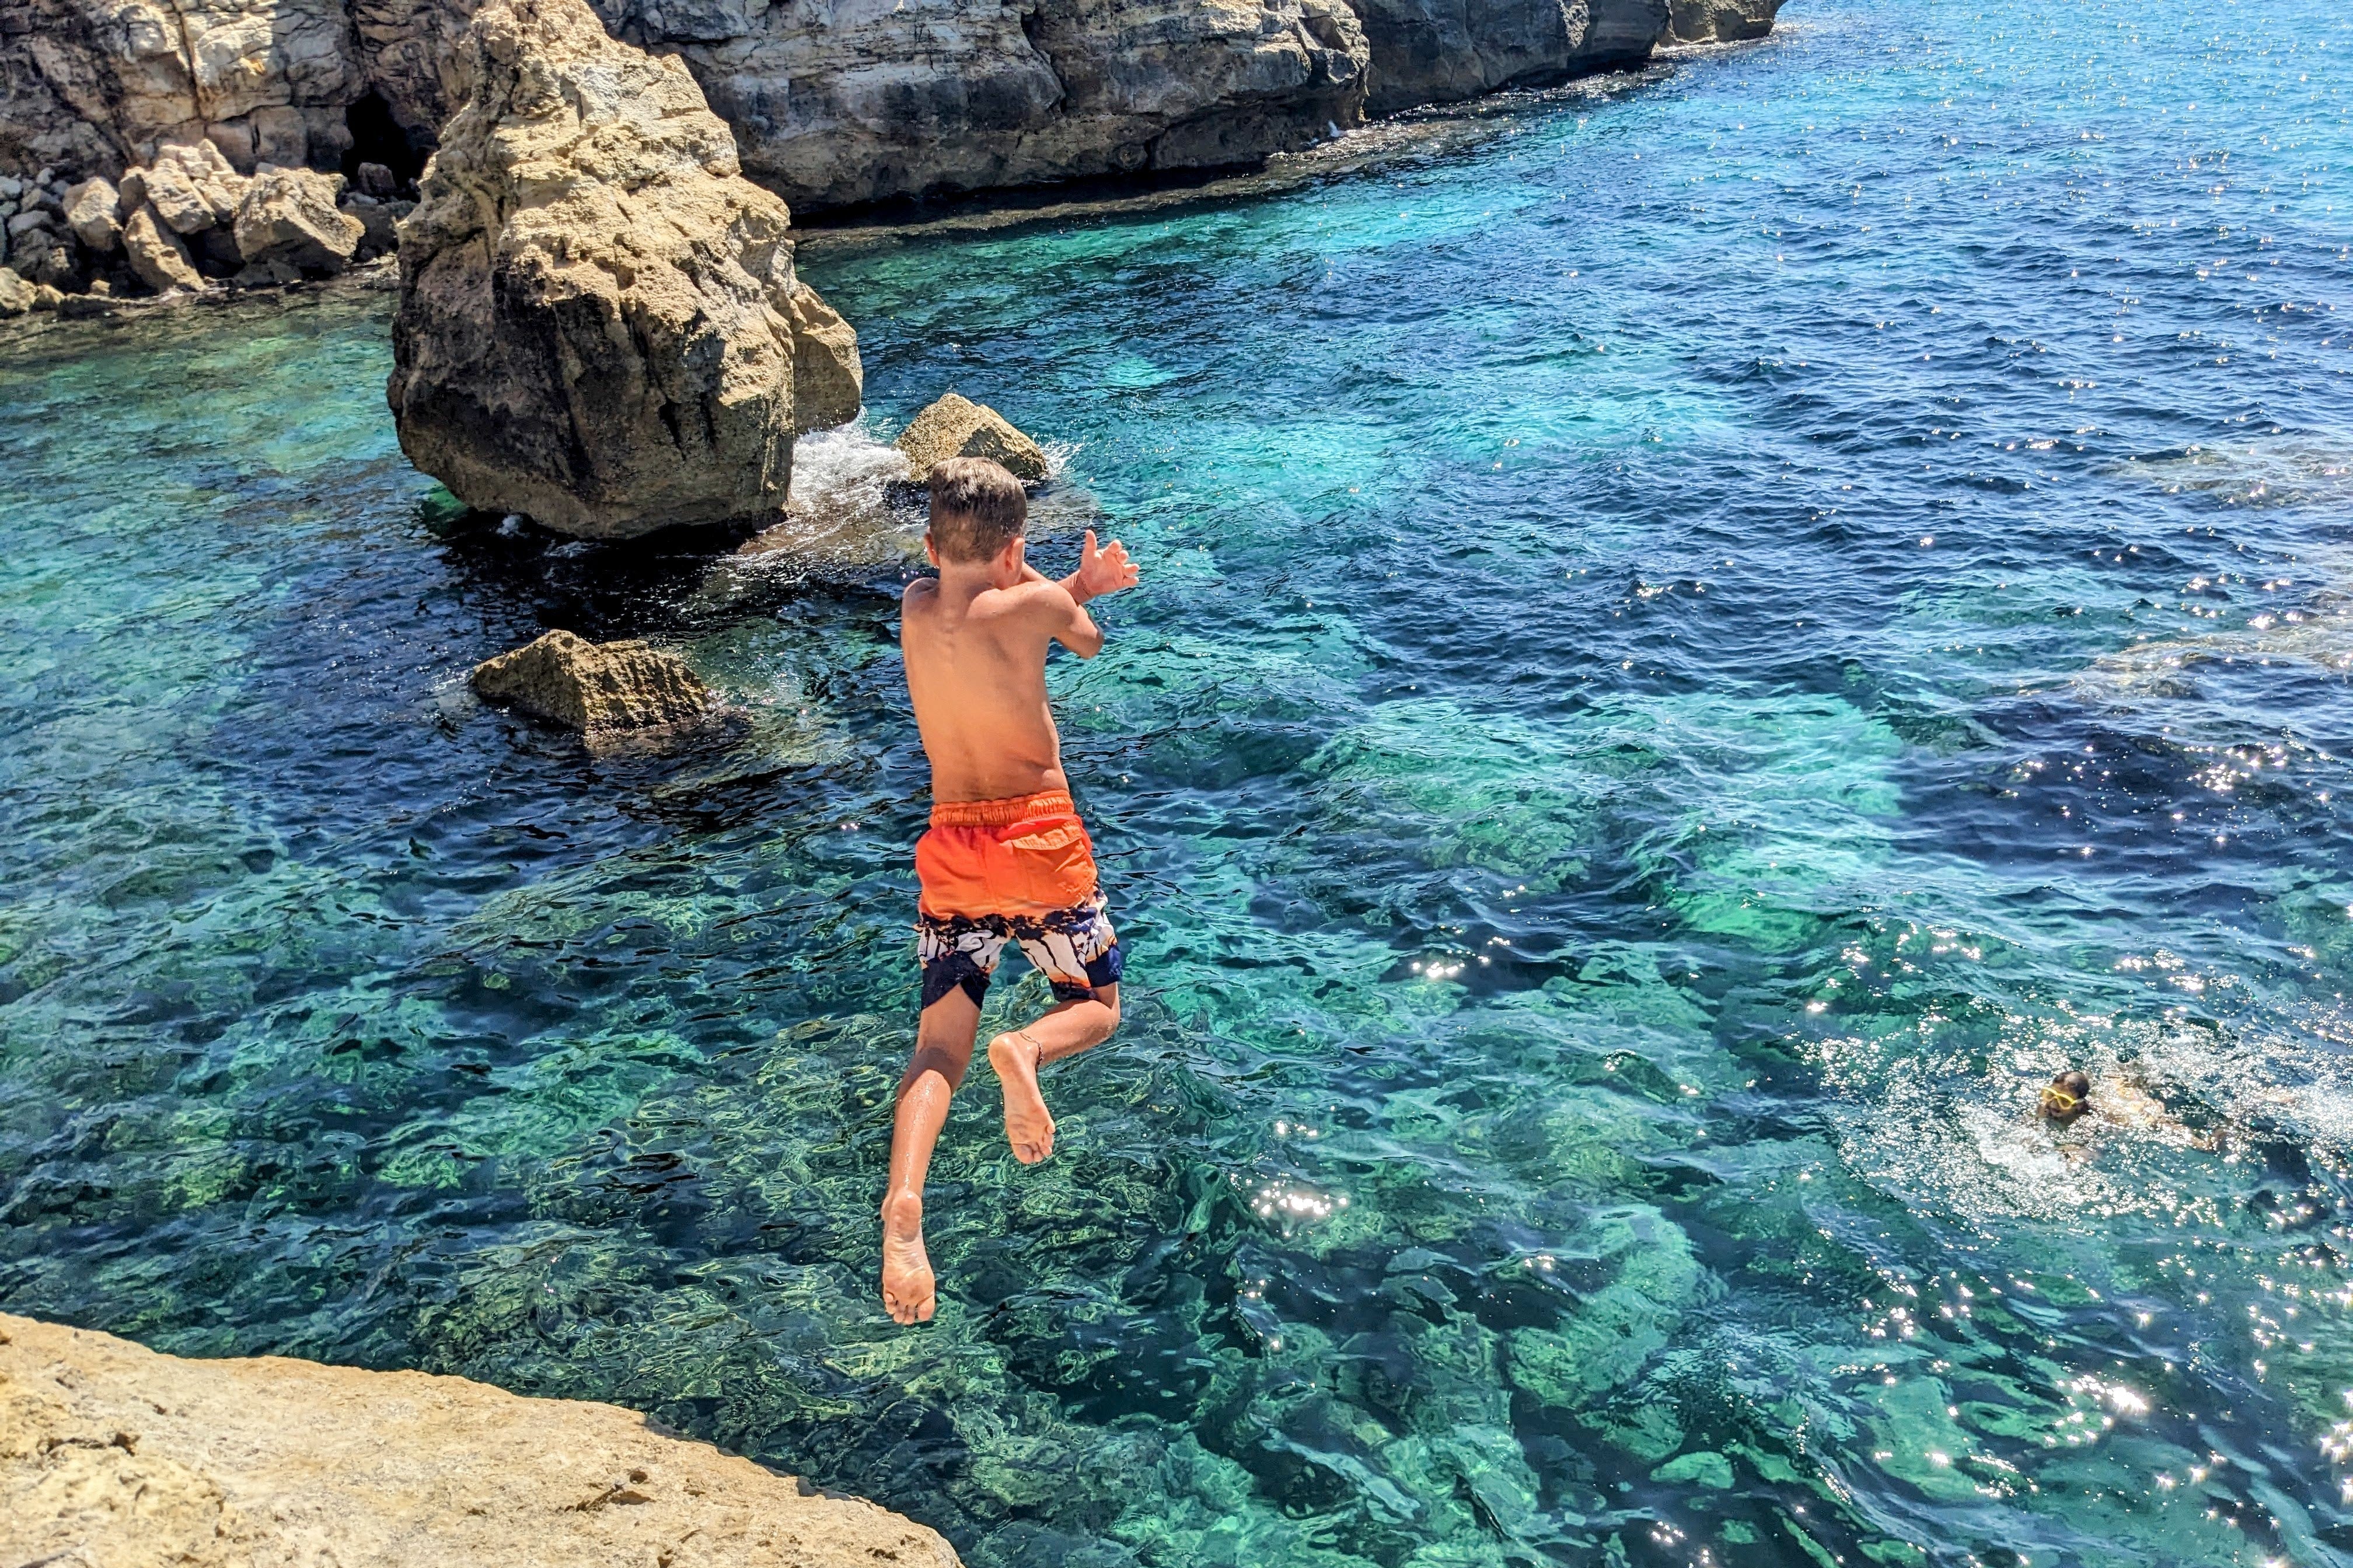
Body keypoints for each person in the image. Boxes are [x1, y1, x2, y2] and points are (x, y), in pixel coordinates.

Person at [881, 456, 1141, 1325]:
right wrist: (1078, 582)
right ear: (1015, 549)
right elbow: (1083, 637)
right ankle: (1026, 1051)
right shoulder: (1034, 601)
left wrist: (1031, 571)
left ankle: (904, 1206)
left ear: (927, 543)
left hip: (952, 848)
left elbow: (983, 603)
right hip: (1039, 839)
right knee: (1094, 1006)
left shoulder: (916, 607)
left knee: (937, 1051)